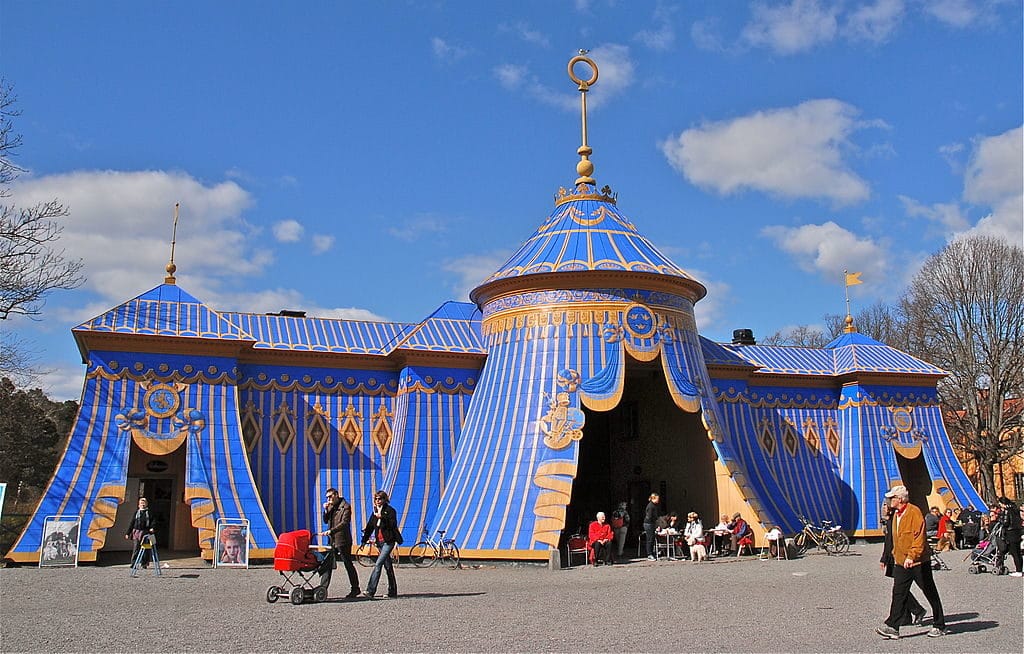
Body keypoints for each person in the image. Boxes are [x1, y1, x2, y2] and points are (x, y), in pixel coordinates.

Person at [876, 485, 947, 639]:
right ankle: (893, 626)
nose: (888, 500)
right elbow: (894, 539)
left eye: (891, 498)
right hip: (901, 562)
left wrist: (912, 556)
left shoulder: (914, 512)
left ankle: (939, 624)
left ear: (900, 499)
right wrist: (891, 556)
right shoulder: (895, 515)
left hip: (918, 562)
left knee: (929, 591)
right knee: (898, 593)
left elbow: (919, 537)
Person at [879, 499, 926, 628]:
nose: (883, 508)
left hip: (900, 557)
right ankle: (906, 616)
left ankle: (917, 611)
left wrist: (885, 558)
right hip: (893, 556)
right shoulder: (890, 520)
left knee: (900, 589)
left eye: (884, 505)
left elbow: (892, 542)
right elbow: (887, 542)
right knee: (900, 588)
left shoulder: (895, 519)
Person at [360, 490, 402, 598]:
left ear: (384, 500)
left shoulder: (390, 511)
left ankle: (370, 591)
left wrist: (381, 517)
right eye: (376, 499)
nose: (378, 501)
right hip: (379, 542)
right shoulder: (374, 512)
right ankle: (393, 591)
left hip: (389, 541)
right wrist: (364, 541)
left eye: (380, 499)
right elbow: (369, 527)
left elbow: (393, 524)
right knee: (388, 567)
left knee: (378, 564)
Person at [321, 487, 360, 598]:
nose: (328, 499)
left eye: (330, 496)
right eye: (327, 497)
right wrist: (325, 510)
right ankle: (322, 589)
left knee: (348, 564)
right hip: (331, 540)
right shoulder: (331, 507)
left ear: (336, 495)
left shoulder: (346, 506)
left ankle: (355, 588)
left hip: (343, 540)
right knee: (327, 564)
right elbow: (325, 520)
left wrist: (331, 531)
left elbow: (344, 523)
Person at [994, 496, 1023, 577]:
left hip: (1010, 533)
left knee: (1014, 553)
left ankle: (1018, 571)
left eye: (1000, 503)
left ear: (1003, 503)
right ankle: (1020, 569)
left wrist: (1000, 520)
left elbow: (1006, 523)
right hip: (1017, 532)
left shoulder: (1007, 511)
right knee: (1018, 553)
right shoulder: (1015, 509)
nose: (1000, 505)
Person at [125, 497, 155, 568]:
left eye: (144, 503)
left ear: (146, 504)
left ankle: (144, 563)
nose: (143, 505)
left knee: (146, 548)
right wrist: (127, 533)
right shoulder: (137, 513)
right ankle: (134, 563)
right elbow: (132, 523)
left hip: (146, 532)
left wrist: (152, 528)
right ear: (139, 505)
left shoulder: (149, 513)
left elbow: (153, 521)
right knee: (136, 548)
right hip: (137, 533)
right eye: (141, 503)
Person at [643, 493, 660, 561]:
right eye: (657, 499)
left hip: (651, 524)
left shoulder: (654, 505)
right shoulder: (650, 506)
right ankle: (649, 554)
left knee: (652, 538)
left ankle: (652, 553)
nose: (658, 500)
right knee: (650, 539)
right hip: (649, 524)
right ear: (653, 498)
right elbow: (649, 516)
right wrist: (655, 522)